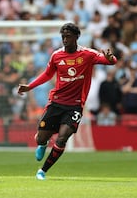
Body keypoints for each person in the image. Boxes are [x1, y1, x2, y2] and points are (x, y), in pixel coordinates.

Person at [17, 23, 117, 180]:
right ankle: (43, 144)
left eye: (68, 36)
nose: (64, 39)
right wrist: (30, 87)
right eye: (63, 36)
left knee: (62, 138)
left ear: (76, 37)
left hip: (75, 105)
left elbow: (109, 61)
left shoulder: (87, 54)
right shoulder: (57, 56)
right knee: (41, 138)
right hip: (56, 102)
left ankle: (42, 171)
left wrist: (111, 59)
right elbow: (47, 74)